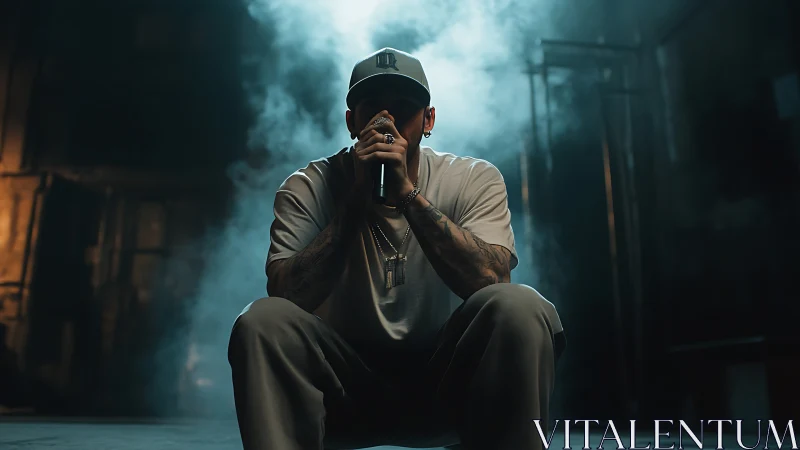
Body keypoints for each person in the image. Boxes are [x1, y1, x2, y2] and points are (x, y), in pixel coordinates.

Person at [228, 47, 566, 450]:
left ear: (428, 120)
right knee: (261, 319)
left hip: (448, 385)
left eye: (403, 109)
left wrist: (408, 194)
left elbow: (492, 279)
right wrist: (355, 200)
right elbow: (285, 296)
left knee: (521, 305)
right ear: (352, 122)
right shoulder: (308, 185)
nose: (386, 124)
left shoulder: (474, 178)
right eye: (373, 109)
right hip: (343, 389)